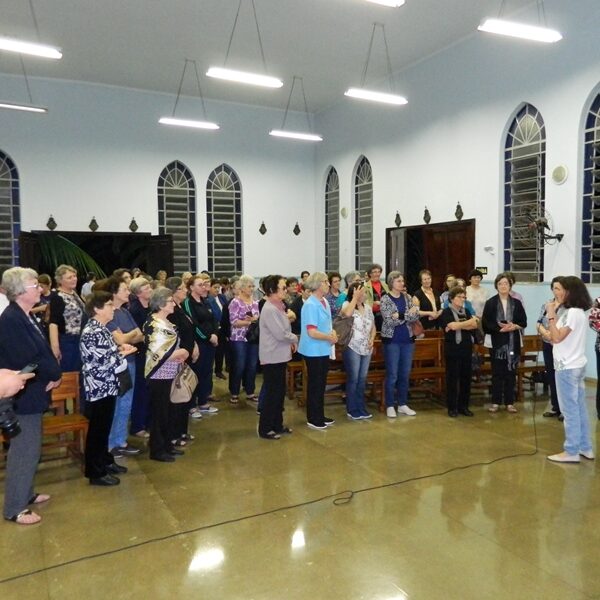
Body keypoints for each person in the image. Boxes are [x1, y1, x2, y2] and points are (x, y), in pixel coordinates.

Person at [0, 267, 61, 524]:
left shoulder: (26, 315)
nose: (40, 288)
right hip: (22, 396)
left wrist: (51, 373)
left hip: (33, 390)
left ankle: (26, 492)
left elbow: (41, 352)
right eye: (35, 285)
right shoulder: (11, 320)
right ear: (19, 291)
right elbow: (28, 358)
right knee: (23, 451)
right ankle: (15, 507)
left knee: (32, 448)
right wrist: (51, 374)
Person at [80, 291, 136, 486]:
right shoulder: (93, 331)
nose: (113, 309)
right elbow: (105, 361)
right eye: (109, 305)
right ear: (97, 309)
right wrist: (124, 354)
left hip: (107, 385)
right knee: (98, 429)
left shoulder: (101, 328)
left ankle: (105, 460)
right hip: (99, 387)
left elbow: (107, 352)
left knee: (104, 427)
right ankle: (95, 472)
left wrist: (120, 350)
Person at [546, 276, 594, 463]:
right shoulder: (575, 312)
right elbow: (555, 336)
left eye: (561, 289)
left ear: (571, 292)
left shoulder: (573, 313)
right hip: (574, 364)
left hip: (567, 367)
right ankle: (585, 447)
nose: (557, 293)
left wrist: (551, 314)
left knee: (570, 410)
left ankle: (571, 450)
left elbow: (557, 337)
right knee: (579, 408)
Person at [145, 287, 189, 462]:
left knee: (169, 411)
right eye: (170, 301)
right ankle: (157, 449)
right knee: (159, 413)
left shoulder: (166, 322)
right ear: (161, 304)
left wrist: (180, 354)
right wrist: (181, 353)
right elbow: (157, 352)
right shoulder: (154, 324)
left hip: (171, 371)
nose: (174, 304)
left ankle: (167, 444)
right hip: (159, 374)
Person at [105, 276, 144, 457]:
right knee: (116, 403)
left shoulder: (125, 312)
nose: (128, 292)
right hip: (117, 365)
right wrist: (130, 335)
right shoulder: (108, 313)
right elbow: (120, 340)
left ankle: (121, 440)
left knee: (126, 403)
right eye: (124, 289)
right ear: (114, 293)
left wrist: (127, 336)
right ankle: (110, 443)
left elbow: (140, 335)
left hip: (131, 361)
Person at [258, 275, 298, 439]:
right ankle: (265, 428)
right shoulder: (269, 309)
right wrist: (295, 338)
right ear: (272, 290)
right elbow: (280, 334)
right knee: (272, 394)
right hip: (272, 356)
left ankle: (277, 425)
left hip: (280, 355)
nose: (286, 290)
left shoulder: (279, 305)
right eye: (283, 287)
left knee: (279, 393)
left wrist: (291, 340)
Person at [482, 272, 527, 413]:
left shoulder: (517, 303)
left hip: (513, 341)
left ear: (510, 286)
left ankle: (509, 402)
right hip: (497, 341)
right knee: (497, 372)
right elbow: (485, 324)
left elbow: (523, 322)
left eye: (506, 283)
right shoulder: (490, 303)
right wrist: (499, 329)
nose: (503, 286)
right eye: (500, 283)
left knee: (510, 372)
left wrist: (514, 326)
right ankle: (495, 402)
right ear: (496, 286)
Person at [298, 272, 337, 430]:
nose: (328, 284)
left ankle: (320, 414)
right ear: (318, 284)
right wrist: (329, 337)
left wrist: (332, 333)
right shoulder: (310, 304)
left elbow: (328, 324)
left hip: (323, 348)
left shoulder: (324, 301)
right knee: (315, 384)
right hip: (313, 349)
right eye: (325, 281)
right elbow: (311, 332)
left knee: (321, 384)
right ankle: (313, 418)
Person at [380, 271, 420, 418]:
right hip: (392, 341)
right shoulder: (385, 299)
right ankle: (390, 404)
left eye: (402, 281)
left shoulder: (407, 297)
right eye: (399, 281)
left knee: (405, 373)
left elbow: (415, 315)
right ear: (391, 283)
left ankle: (402, 404)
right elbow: (389, 321)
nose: (402, 283)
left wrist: (401, 315)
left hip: (407, 340)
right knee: (392, 374)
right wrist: (407, 315)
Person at [165, 277, 198, 444]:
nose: (186, 290)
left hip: (186, 355)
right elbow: (174, 336)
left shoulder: (180, 307)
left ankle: (182, 431)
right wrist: (183, 353)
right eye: (182, 288)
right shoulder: (171, 312)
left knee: (185, 394)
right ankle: (174, 434)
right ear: (173, 291)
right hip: (177, 358)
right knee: (177, 395)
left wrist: (195, 345)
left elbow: (189, 329)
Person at [439, 287, 479, 417]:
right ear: (451, 298)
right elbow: (452, 326)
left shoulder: (466, 311)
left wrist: (459, 325)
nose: (462, 299)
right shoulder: (446, 312)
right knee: (452, 379)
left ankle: (464, 406)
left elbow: (474, 325)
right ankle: (452, 407)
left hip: (466, 348)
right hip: (452, 350)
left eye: (464, 297)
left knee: (466, 379)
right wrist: (467, 323)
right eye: (459, 297)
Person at [182, 274, 219, 415]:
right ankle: (191, 405)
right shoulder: (188, 303)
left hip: (210, 343)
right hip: (199, 344)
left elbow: (213, 319)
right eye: (200, 285)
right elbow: (193, 324)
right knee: (195, 374)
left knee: (206, 373)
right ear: (191, 287)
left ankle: (203, 402)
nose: (204, 287)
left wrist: (215, 334)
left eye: (204, 285)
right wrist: (208, 337)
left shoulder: (205, 301)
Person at [341, 281, 376, 420]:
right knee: (353, 378)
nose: (365, 294)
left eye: (365, 291)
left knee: (362, 378)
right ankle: (352, 408)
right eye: (363, 291)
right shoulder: (347, 304)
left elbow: (373, 326)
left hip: (366, 347)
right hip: (352, 346)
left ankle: (361, 406)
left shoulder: (368, 308)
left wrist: (372, 338)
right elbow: (347, 314)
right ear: (355, 292)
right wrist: (354, 299)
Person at [228, 275, 260, 404]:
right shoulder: (235, 302)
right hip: (239, 338)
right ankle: (234, 392)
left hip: (253, 337)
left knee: (252, 365)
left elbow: (258, 318)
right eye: (249, 286)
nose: (251, 289)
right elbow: (234, 321)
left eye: (253, 286)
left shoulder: (255, 302)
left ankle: (250, 391)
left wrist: (253, 320)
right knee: (239, 365)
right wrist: (250, 321)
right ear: (242, 288)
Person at [127, 277, 153, 437]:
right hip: (140, 353)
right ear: (138, 292)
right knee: (140, 390)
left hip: (151, 353)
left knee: (149, 389)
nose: (150, 289)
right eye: (146, 287)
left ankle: (149, 421)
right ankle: (138, 425)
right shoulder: (134, 310)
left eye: (149, 286)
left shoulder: (150, 307)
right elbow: (135, 334)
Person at [48, 264, 86, 372]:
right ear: (60, 280)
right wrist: (55, 347)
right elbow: (53, 322)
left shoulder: (74, 293)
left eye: (74, 276)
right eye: (69, 277)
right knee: (70, 372)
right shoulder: (58, 297)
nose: (74, 279)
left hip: (79, 339)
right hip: (68, 341)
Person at [538, 277, 565, 420]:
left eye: (560, 288)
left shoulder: (569, 307)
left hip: (561, 345)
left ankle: (564, 409)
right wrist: (545, 333)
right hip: (547, 343)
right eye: (555, 288)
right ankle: (555, 406)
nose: (557, 291)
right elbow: (538, 323)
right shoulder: (547, 304)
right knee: (551, 375)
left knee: (562, 376)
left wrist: (554, 335)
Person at [207, 278, 228, 380]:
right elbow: (213, 315)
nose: (217, 290)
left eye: (218, 288)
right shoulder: (207, 299)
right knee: (213, 352)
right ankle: (210, 371)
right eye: (215, 287)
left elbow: (227, 309)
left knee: (221, 351)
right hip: (213, 329)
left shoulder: (222, 297)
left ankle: (218, 371)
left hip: (223, 328)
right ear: (209, 288)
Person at [363, 263, 389, 331]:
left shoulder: (385, 285)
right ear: (370, 274)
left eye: (379, 272)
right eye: (374, 272)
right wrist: (373, 303)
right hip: (372, 315)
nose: (377, 274)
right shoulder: (365, 286)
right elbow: (363, 302)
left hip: (385, 315)